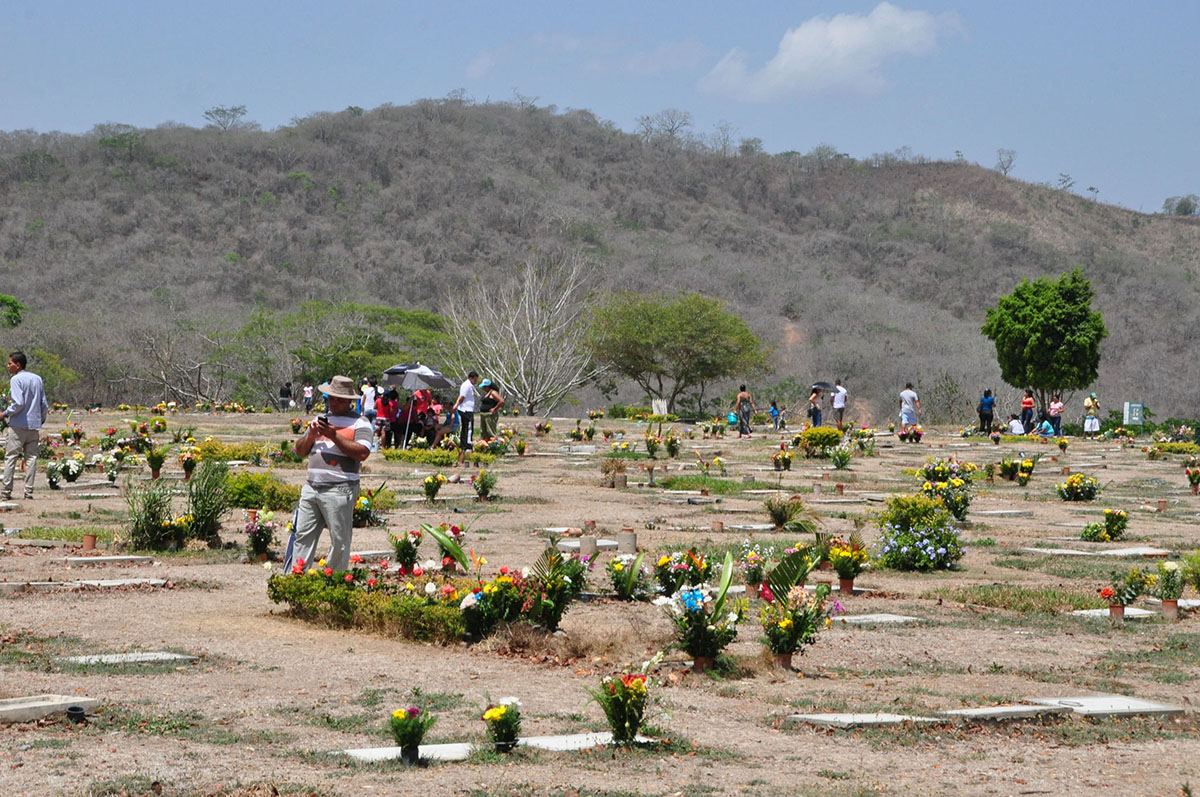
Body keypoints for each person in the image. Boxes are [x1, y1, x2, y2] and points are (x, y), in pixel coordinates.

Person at [287, 376, 373, 573]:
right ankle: (298, 579)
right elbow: (299, 451)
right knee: (302, 535)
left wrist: (334, 435)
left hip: (339, 488)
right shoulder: (319, 420)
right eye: (332, 398)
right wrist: (310, 436)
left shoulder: (361, 422)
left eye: (340, 400)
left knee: (339, 540)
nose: (334, 403)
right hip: (312, 486)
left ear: (350, 401)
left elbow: (362, 452)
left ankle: (334, 581)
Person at [1, 351, 49, 501]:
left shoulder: (16, 379)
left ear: (18, 365)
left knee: (11, 457)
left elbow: (18, 403)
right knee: (31, 458)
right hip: (33, 426)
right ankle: (28, 492)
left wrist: (5, 413)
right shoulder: (37, 379)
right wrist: (40, 420)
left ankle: (6, 491)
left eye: (10, 363)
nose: (8, 366)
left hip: (18, 425)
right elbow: (44, 404)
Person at [453, 371, 480, 466]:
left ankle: (465, 445)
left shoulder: (469, 385)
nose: (476, 381)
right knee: (468, 428)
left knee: (467, 428)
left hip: (468, 410)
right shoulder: (467, 385)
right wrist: (457, 404)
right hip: (465, 410)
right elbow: (462, 397)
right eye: (476, 379)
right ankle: (466, 446)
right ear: (472, 378)